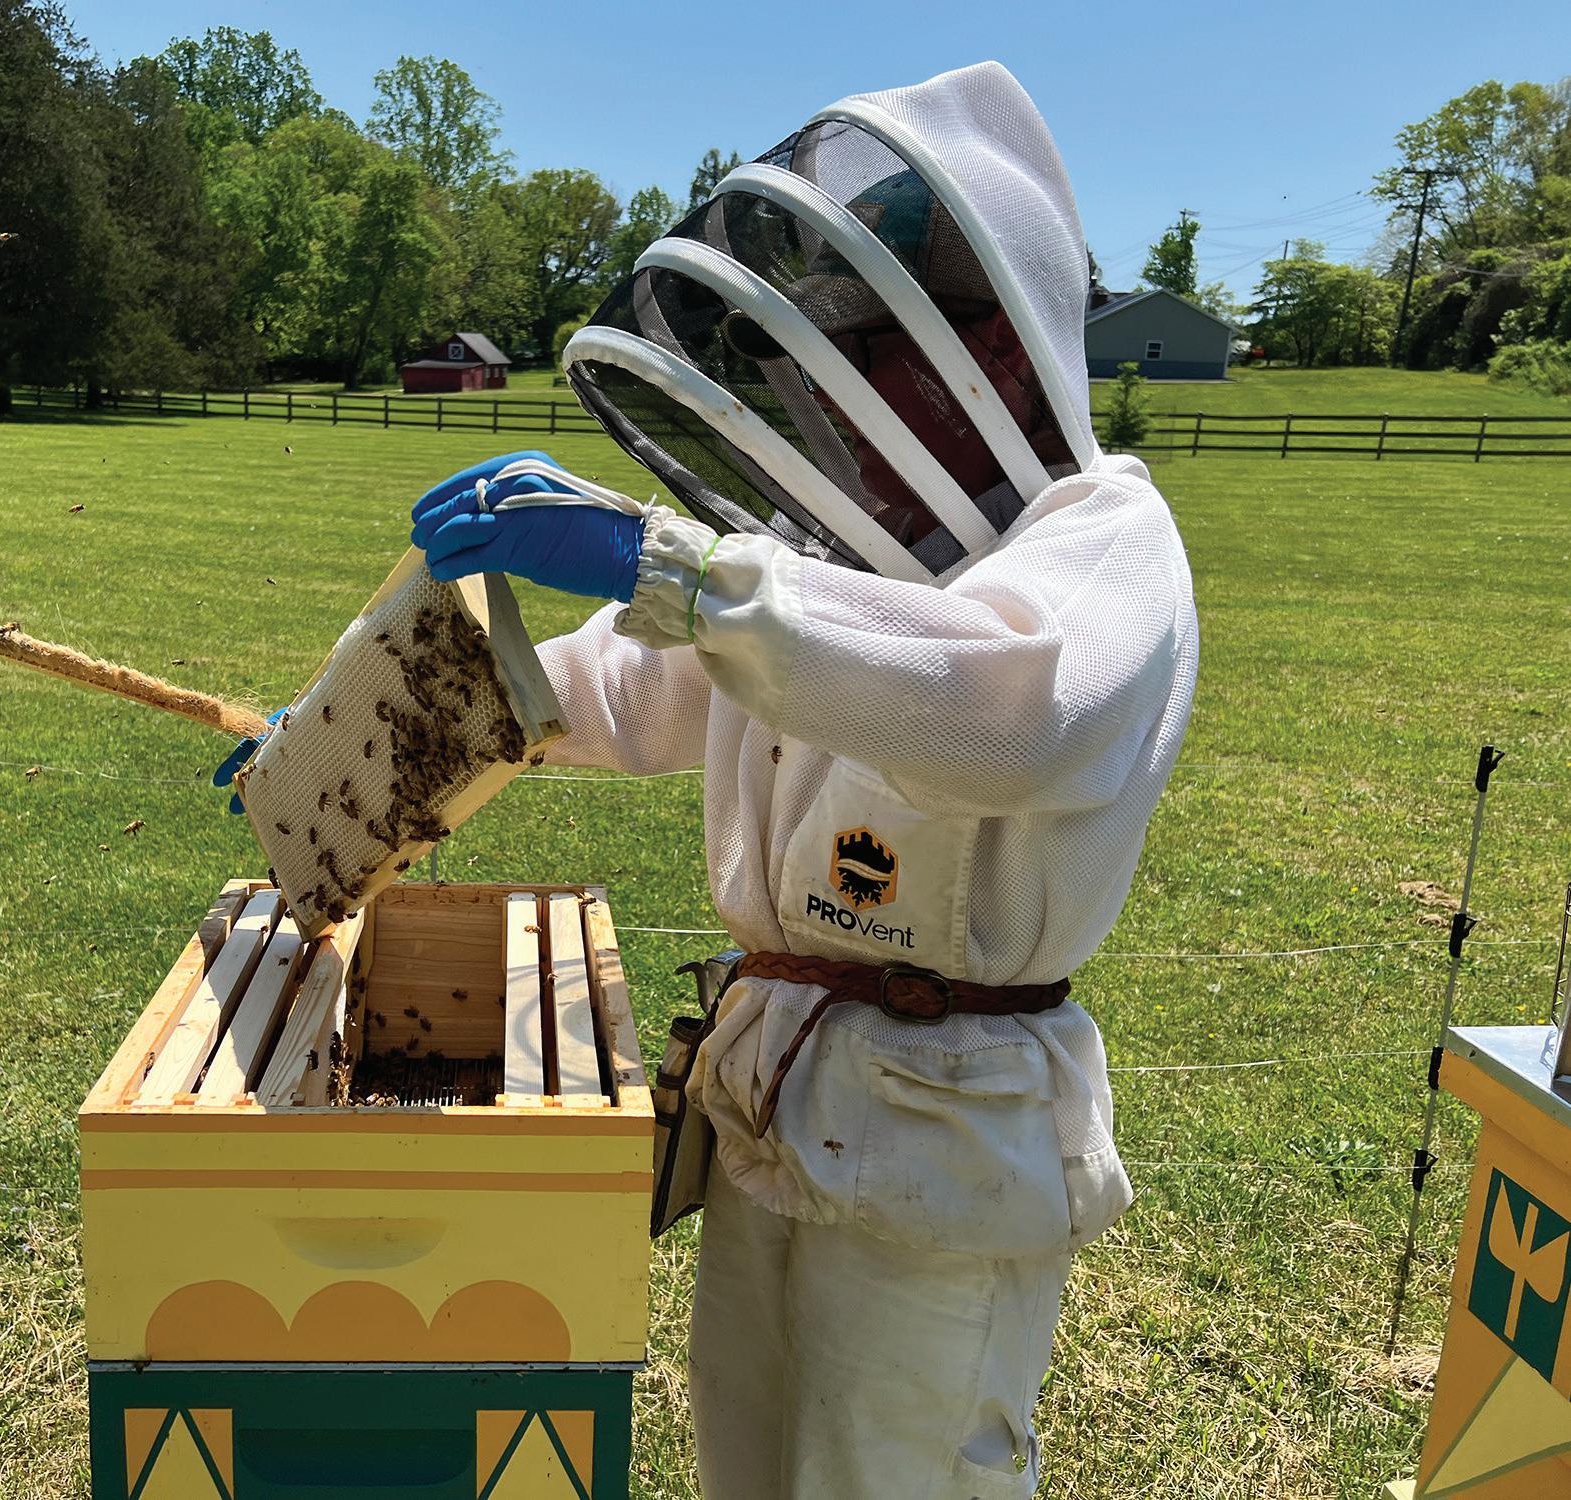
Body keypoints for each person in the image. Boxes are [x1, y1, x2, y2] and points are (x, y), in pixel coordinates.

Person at [400, 63, 1198, 1499]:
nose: (816, 392)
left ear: (995, 355)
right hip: (774, 1093)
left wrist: (676, 571)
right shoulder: (814, 565)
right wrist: (386, 724)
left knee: (898, 1475)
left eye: (856, 348)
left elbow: (1009, 707)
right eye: (805, 354)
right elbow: (617, 690)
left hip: (949, 1130)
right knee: (747, 1464)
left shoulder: (1105, 543)